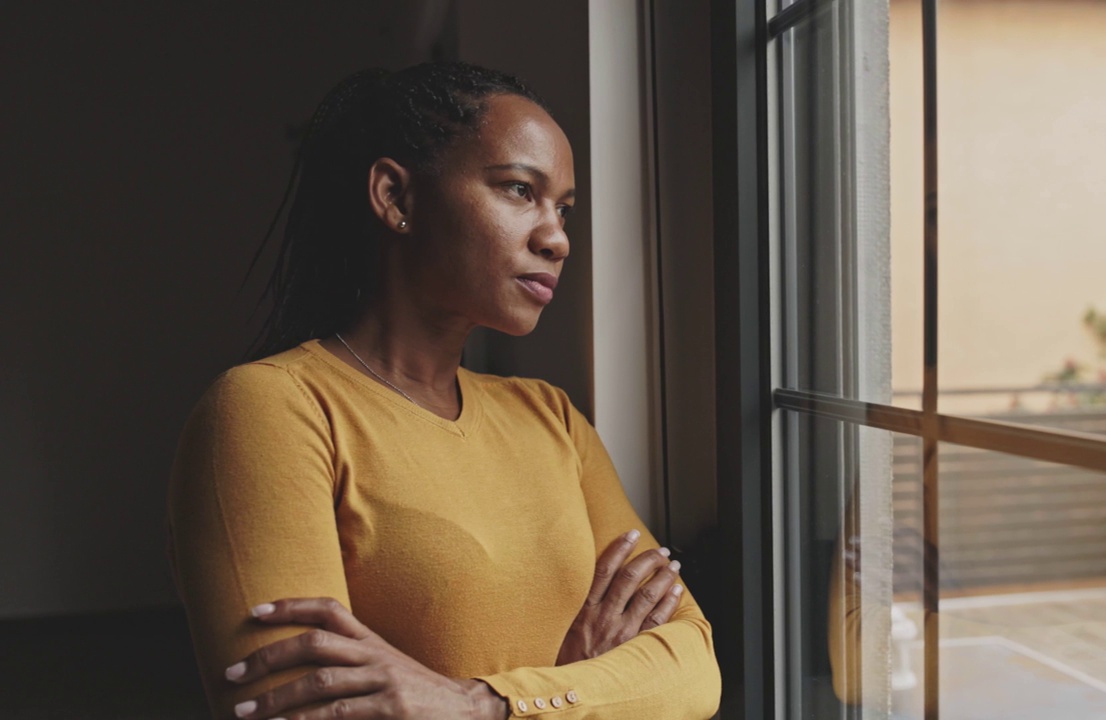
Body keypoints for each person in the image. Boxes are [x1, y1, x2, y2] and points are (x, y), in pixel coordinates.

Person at [167, 61, 720, 720]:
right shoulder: (272, 412)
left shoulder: (552, 418)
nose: (558, 239)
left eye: (564, 209)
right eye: (519, 190)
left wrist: (483, 703)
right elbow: (301, 711)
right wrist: (585, 683)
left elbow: (694, 668)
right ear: (396, 197)